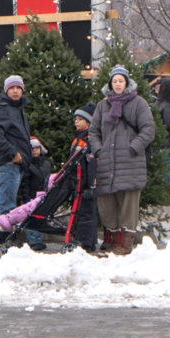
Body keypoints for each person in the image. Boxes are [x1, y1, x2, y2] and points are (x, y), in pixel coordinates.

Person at [89, 65, 155, 255]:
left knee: (128, 203)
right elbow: (93, 131)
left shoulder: (139, 103)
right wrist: (99, 149)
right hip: (107, 163)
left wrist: (133, 147)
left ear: (126, 82)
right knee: (106, 203)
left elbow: (148, 130)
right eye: (115, 81)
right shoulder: (103, 105)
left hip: (130, 162)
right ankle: (111, 239)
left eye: (121, 80)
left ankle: (125, 244)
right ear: (110, 83)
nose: (118, 84)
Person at [0, 75, 32, 248]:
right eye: (12, 88)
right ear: (6, 90)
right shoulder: (4, 108)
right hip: (9, 163)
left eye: (18, 88)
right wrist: (13, 153)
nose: (15, 91)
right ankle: (5, 241)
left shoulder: (17, 109)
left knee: (5, 201)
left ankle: (3, 239)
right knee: (7, 203)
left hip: (16, 163)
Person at [69, 102, 99, 253]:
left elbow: (93, 164)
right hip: (77, 182)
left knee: (87, 212)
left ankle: (87, 242)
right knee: (80, 211)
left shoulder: (89, 140)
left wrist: (90, 185)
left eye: (80, 119)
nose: (76, 122)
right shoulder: (77, 139)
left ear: (88, 122)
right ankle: (82, 238)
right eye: (75, 119)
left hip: (87, 183)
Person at [20, 137, 51, 251]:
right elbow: (24, 183)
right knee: (32, 219)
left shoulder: (46, 164)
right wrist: (26, 197)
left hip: (44, 196)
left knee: (41, 218)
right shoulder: (27, 165)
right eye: (32, 148)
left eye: (37, 148)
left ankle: (40, 239)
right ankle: (34, 241)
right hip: (32, 196)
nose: (35, 151)